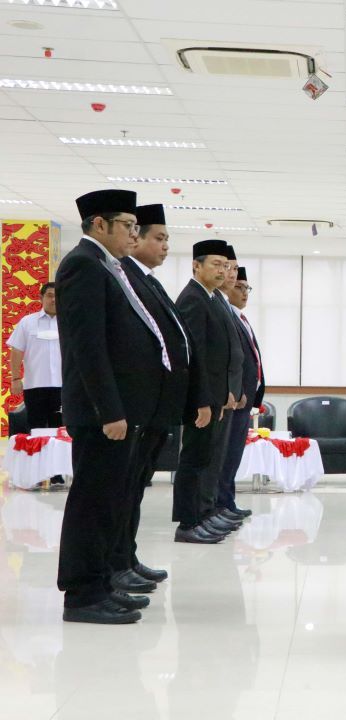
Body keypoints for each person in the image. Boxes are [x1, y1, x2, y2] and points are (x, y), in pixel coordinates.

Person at [56, 189, 168, 624]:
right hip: (103, 413)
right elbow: (88, 348)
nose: (133, 233)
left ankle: (101, 582)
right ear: (98, 225)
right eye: (128, 226)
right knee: (93, 503)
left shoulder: (108, 266)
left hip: (121, 410)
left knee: (109, 502)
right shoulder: (83, 265)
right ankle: (82, 594)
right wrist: (110, 410)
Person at [112, 204, 212, 590]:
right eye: (159, 237)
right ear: (135, 238)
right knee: (123, 491)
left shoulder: (149, 281)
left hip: (156, 407)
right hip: (138, 405)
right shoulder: (127, 279)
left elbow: (181, 347)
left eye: (167, 238)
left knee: (135, 488)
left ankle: (126, 556)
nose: (166, 245)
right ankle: (116, 562)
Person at [172, 239, 245, 544]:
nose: (222, 270)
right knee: (195, 458)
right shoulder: (193, 298)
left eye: (225, 265)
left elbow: (226, 353)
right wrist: (202, 398)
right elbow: (195, 354)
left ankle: (204, 513)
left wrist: (227, 391)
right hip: (202, 398)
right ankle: (189, 522)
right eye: (215, 264)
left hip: (217, 396)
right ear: (196, 265)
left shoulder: (213, 298)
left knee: (209, 459)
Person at [7, 282, 64, 484]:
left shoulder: (68, 323)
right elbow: (16, 351)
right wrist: (15, 378)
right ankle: (37, 473)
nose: (53, 300)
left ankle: (57, 472)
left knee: (59, 429)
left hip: (62, 387)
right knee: (37, 428)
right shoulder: (27, 322)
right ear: (41, 298)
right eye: (49, 295)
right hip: (35, 386)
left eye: (57, 296)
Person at [219, 264, 263, 519]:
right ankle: (220, 505)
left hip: (243, 398)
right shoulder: (227, 313)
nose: (244, 292)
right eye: (239, 287)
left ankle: (228, 501)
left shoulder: (240, 317)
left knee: (233, 453)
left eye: (247, 288)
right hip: (231, 398)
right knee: (224, 456)